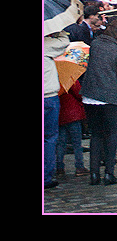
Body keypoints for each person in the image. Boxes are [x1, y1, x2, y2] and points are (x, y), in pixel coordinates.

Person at [81, 16, 117, 185]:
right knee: (111, 135)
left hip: (90, 96)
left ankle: (94, 174)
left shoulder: (95, 44)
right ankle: (109, 173)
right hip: (109, 96)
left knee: (95, 135)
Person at [44, 30, 70, 189]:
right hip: (48, 97)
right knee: (49, 138)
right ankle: (45, 176)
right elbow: (64, 42)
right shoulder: (46, 44)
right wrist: (59, 31)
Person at [56, 78, 89, 178]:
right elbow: (79, 94)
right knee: (77, 143)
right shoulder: (69, 78)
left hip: (60, 114)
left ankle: (59, 167)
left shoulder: (53, 80)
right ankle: (79, 166)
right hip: (73, 114)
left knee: (61, 143)